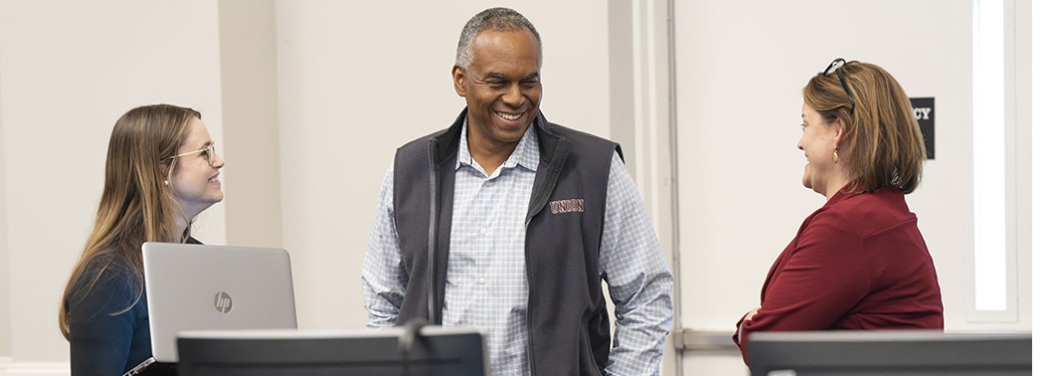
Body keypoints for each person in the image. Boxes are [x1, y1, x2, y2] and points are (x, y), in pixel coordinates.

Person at [361, 7, 673, 376]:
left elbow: (647, 296)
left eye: (529, 81)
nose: (515, 98)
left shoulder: (593, 168)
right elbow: (384, 305)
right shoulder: (411, 171)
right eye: (497, 82)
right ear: (460, 80)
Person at [732, 59, 944, 362]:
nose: (800, 142)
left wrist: (749, 323)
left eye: (806, 124)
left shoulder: (849, 226)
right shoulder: (879, 214)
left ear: (838, 132)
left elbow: (762, 343)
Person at [59, 104, 225, 375]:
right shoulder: (107, 277)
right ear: (162, 169)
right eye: (204, 152)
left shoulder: (198, 259)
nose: (218, 160)